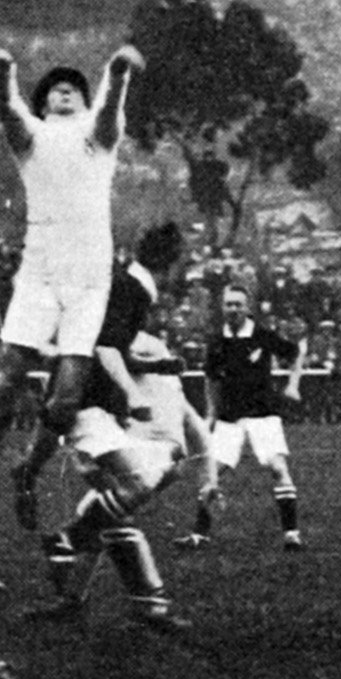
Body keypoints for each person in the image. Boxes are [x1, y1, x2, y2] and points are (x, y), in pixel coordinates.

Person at [0, 43, 144, 535]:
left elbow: (112, 105)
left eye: (75, 88)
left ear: (84, 103)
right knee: (7, 383)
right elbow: (8, 108)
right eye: (55, 89)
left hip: (89, 278)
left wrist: (117, 69)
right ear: (44, 103)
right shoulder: (32, 138)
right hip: (40, 273)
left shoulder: (98, 137)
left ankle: (28, 468)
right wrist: (3, 72)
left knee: (65, 401)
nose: (65, 90)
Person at [26, 222, 204, 632]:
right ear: (169, 263)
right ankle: (68, 538)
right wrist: (134, 393)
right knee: (138, 483)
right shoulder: (133, 288)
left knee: (114, 503)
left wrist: (154, 366)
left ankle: (130, 603)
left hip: (91, 404)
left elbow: (110, 344)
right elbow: (105, 348)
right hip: (85, 405)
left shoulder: (130, 287)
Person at [179, 280, 308, 552]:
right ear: (222, 307)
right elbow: (211, 381)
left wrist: (293, 385)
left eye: (238, 304)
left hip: (263, 414)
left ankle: (292, 535)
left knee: (277, 468)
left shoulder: (262, 335)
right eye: (228, 304)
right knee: (212, 474)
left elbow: (296, 352)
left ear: (247, 307)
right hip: (230, 417)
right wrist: (211, 414)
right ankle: (199, 534)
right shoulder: (217, 342)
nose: (233, 309)